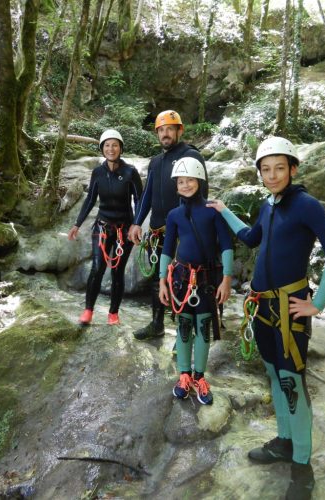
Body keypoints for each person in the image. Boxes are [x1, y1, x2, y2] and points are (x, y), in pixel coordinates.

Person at [207, 137, 325, 500]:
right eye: (265, 169)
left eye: (279, 168)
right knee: (273, 373)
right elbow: (252, 239)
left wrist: (317, 303)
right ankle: (285, 442)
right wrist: (223, 210)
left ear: (293, 169)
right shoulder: (268, 205)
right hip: (264, 307)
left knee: (291, 383)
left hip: (290, 310)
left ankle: (303, 467)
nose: (272, 175)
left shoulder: (306, 205)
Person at [158, 157, 233, 405]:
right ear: (176, 185)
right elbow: (167, 249)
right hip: (180, 278)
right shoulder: (174, 215)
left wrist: (226, 279)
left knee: (203, 327)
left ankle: (200, 377)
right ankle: (184, 375)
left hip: (207, 279)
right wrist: (162, 281)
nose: (186, 185)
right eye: (181, 181)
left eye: (190, 180)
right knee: (184, 325)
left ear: (199, 181)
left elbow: (226, 246)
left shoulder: (213, 211)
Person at [128, 110, 208, 340]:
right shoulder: (155, 162)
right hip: (157, 230)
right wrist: (136, 223)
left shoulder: (191, 155)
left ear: (179, 131)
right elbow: (147, 195)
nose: (165, 134)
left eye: (169, 129)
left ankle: (183, 334)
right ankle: (157, 324)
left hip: (183, 230)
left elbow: (201, 192)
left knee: (183, 280)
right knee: (158, 279)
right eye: (161, 130)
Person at [68, 129, 143, 326]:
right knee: (97, 268)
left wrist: (136, 225)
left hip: (124, 230)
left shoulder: (130, 172)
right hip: (102, 227)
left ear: (120, 148)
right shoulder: (98, 172)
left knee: (117, 272)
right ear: (102, 149)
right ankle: (88, 311)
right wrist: (77, 223)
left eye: (115, 145)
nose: (111, 149)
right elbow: (91, 199)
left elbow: (139, 199)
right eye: (107, 145)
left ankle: (113, 314)